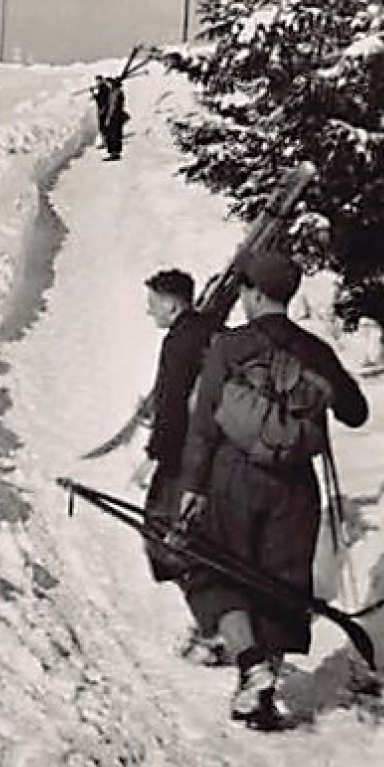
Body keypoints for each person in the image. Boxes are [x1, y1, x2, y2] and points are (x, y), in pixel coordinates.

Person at [177, 252, 368, 730]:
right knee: (280, 586)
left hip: (232, 479)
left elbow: (203, 424)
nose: (242, 299)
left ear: (257, 293)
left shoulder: (229, 347)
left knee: (216, 574)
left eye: (245, 291)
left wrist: (193, 486)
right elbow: (355, 412)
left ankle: (251, 666)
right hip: (295, 487)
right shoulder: (315, 351)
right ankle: (260, 698)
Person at [135, 268, 223, 664]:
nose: (148, 312)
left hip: (186, 456)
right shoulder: (214, 330)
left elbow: (172, 404)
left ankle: (212, 632)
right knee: (203, 537)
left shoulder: (179, 342)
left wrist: (155, 457)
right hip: (221, 451)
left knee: (170, 537)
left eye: (153, 303)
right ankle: (216, 625)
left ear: (172, 304)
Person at [103, 78, 129, 161]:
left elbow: (112, 106)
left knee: (112, 134)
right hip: (116, 115)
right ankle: (115, 153)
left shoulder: (115, 93)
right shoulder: (117, 92)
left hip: (114, 116)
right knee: (115, 134)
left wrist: (108, 117)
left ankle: (114, 153)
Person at [90, 76, 113, 150]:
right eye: (96, 81)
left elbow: (105, 100)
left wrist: (103, 109)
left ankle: (106, 142)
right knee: (102, 127)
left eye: (98, 81)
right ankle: (105, 142)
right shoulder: (102, 88)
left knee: (103, 127)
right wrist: (93, 93)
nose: (97, 82)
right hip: (102, 109)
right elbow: (99, 99)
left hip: (104, 110)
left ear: (101, 81)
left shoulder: (104, 88)